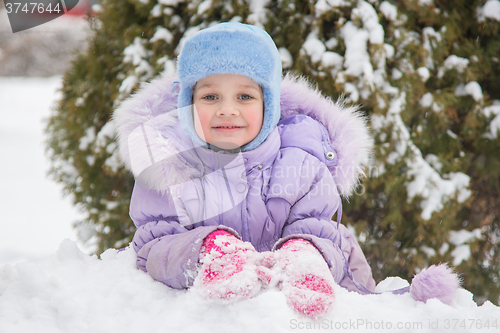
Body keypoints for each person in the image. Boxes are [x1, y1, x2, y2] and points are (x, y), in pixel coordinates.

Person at [113, 22, 459, 318]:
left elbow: (324, 232)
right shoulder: (168, 165)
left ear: (270, 104)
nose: (227, 110)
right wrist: (208, 249)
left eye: (245, 97)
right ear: (187, 103)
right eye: (210, 97)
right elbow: (153, 245)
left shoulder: (302, 161)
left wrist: (304, 251)